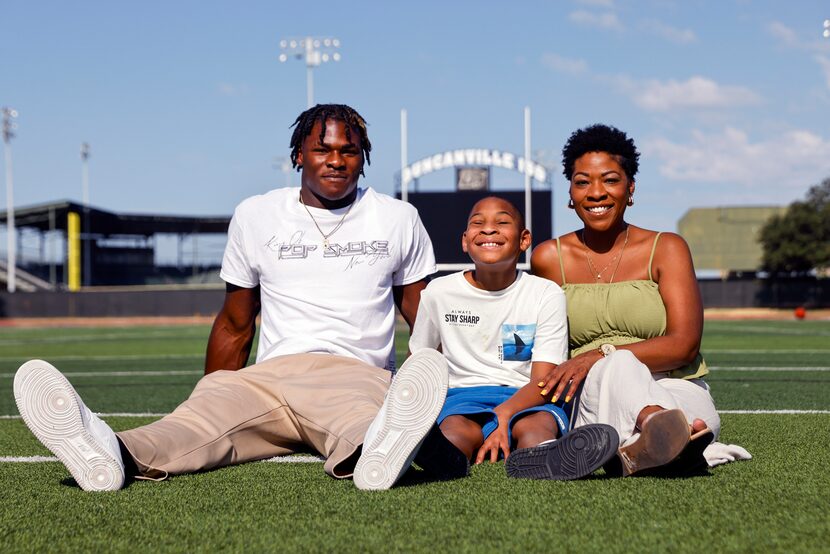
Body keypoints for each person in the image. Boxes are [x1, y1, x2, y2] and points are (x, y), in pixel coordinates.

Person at [13, 103, 468, 492]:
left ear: (363, 159)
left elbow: (419, 311)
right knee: (185, 431)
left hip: (352, 374)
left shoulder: (396, 217)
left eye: (348, 151)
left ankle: (381, 448)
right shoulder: (256, 214)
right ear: (298, 157)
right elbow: (236, 321)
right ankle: (108, 451)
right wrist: (214, 390)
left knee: (361, 426)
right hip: (265, 378)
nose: (336, 160)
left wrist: (444, 381)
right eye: (322, 149)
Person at [530, 123, 728, 476]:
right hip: (596, 396)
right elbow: (542, 345)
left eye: (610, 180)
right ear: (570, 193)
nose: (596, 193)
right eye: (582, 182)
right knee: (616, 367)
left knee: (618, 363)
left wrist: (598, 354)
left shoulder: (667, 248)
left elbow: (684, 345)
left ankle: (645, 441)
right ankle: (665, 440)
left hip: (675, 390)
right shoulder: (548, 257)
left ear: (630, 188)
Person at [408, 196, 619, 480]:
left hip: (527, 398)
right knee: (454, 433)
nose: (488, 229)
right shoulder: (438, 293)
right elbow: (419, 360)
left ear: (524, 240)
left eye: (502, 222)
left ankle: (551, 457)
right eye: (477, 223)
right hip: (462, 399)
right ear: (464, 240)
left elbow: (544, 381)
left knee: (536, 430)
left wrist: (504, 414)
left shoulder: (545, 293)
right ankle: (442, 459)